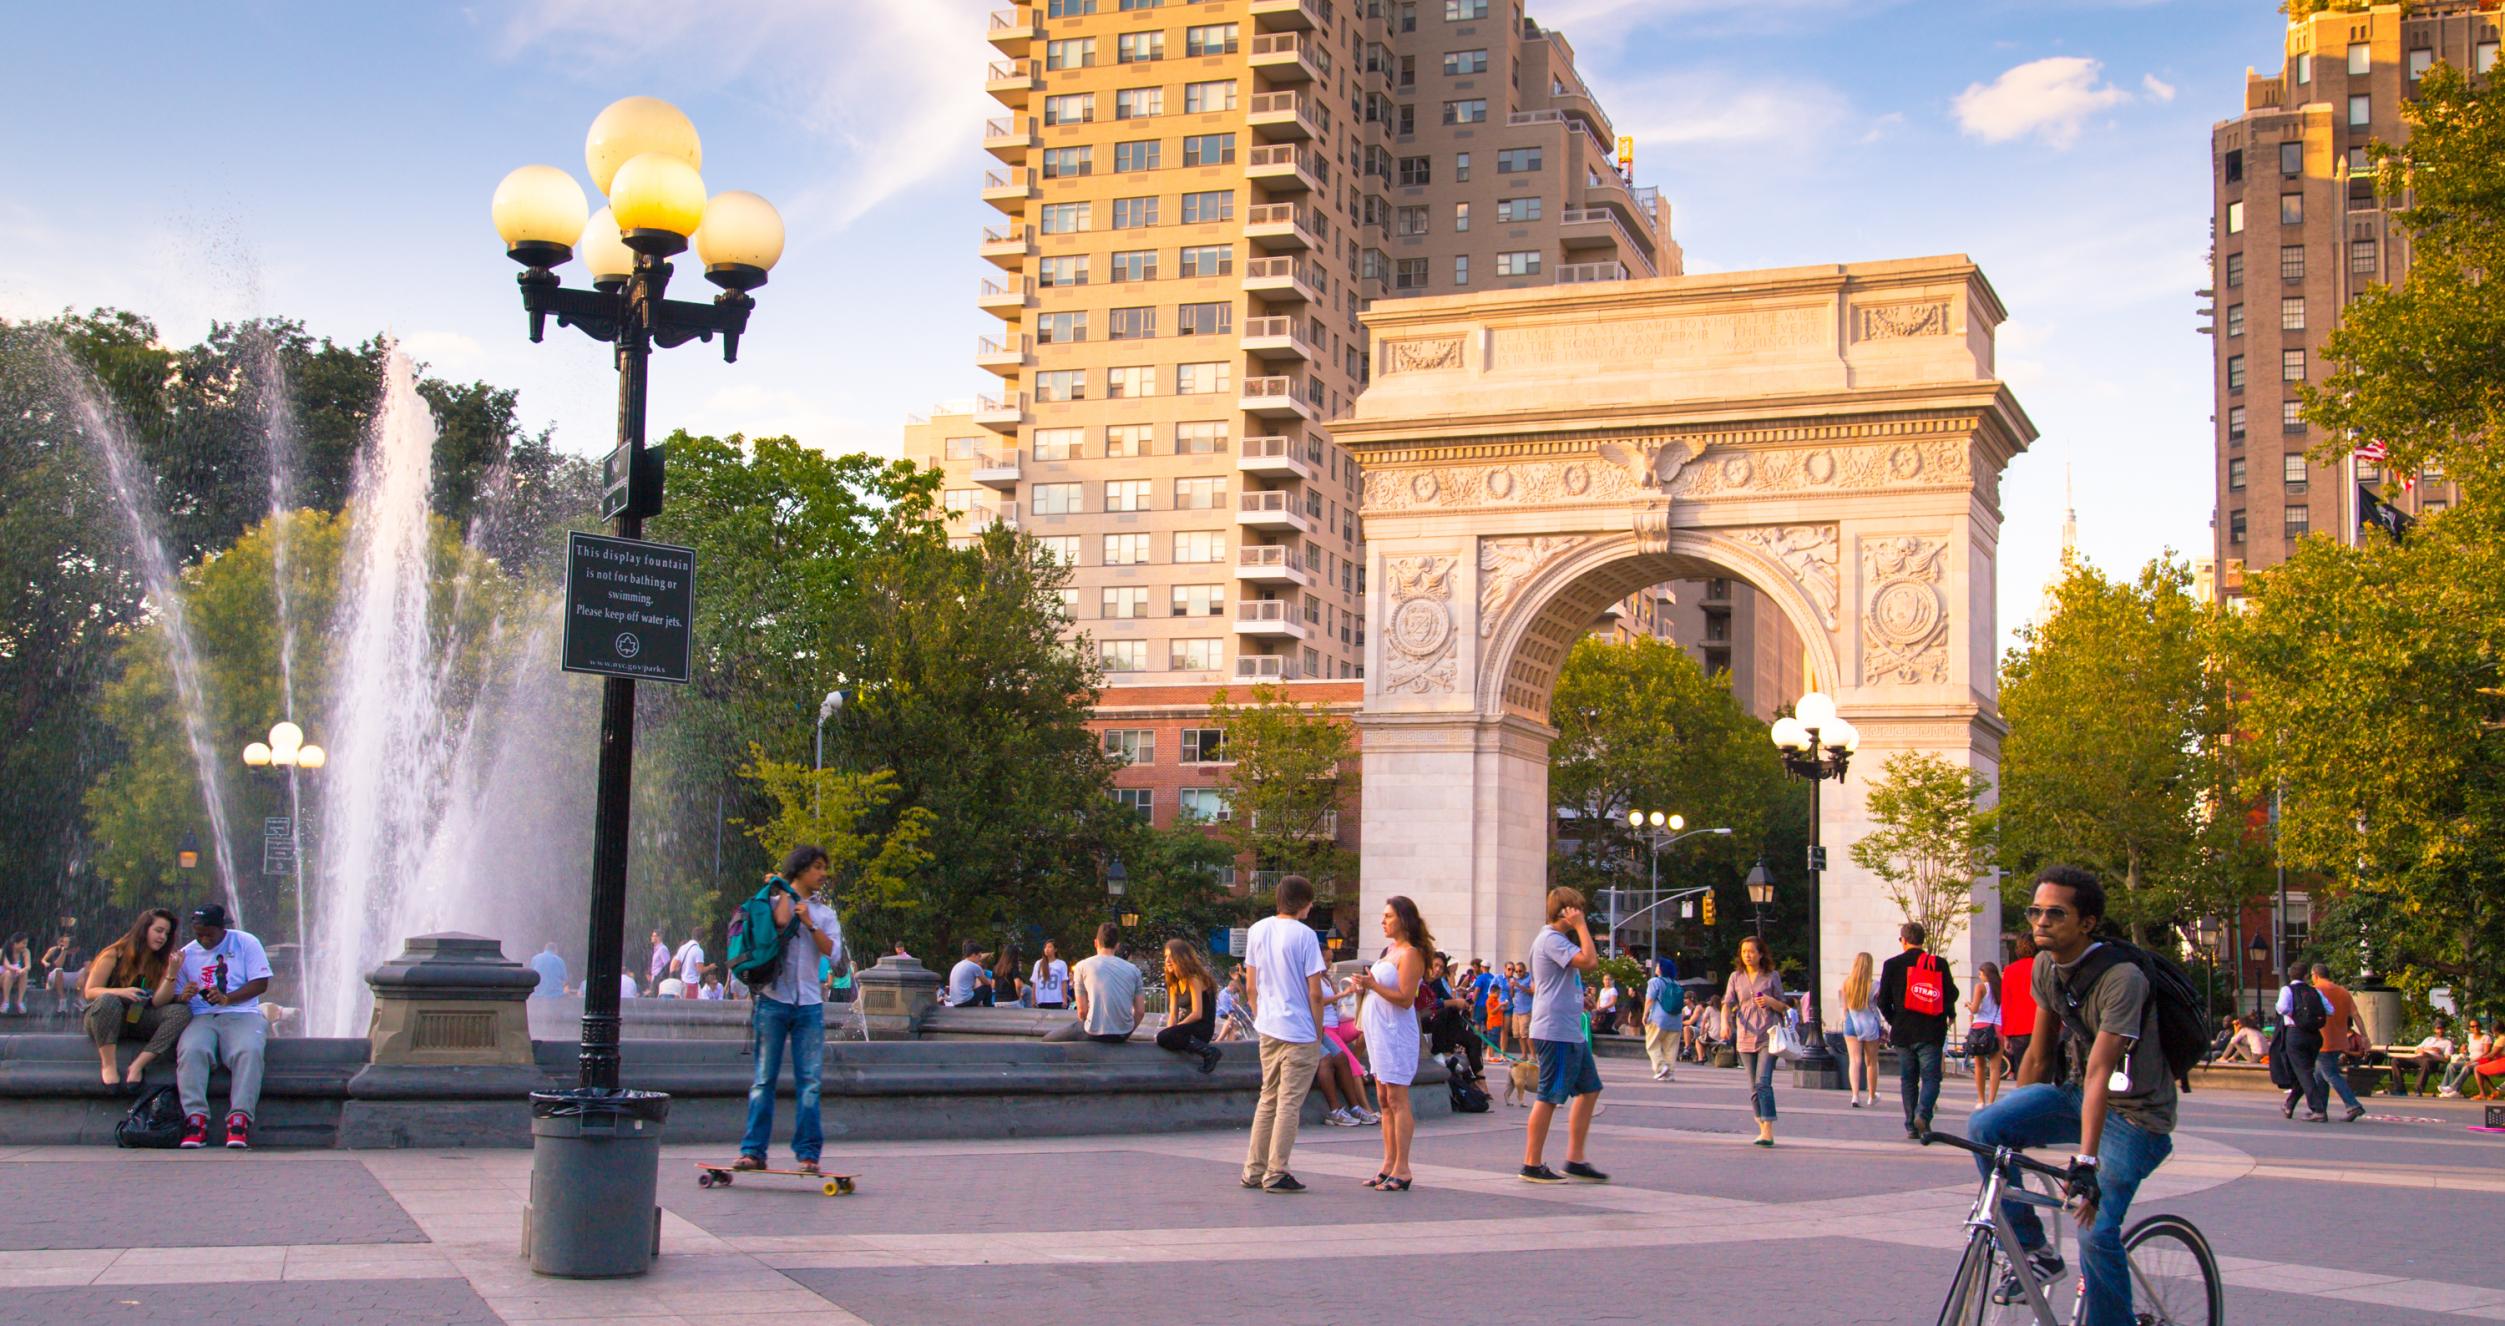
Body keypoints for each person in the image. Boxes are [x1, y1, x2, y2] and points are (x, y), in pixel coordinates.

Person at [1970, 865, 2177, 1326]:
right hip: (2079, 1097)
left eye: (2055, 913)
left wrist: (2085, 1163)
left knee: (2096, 1232)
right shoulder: (2045, 966)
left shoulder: (2122, 979)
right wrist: (2017, 1117)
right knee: (1985, 1126)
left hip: (2137, 1118)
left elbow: (2102, 1068)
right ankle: (2033, 1251)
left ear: (2086, 923)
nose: (2040, 922)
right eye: (2035, 911)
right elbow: (2040, 1058)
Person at [736, 845, 843, 1176]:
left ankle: (808, 1154)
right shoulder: (773, 901)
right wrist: (783, 890)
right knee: (764, 1079)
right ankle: (753, 1151)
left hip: (809, 1004)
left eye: (824, 868)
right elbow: (780, 922)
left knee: (809, 1081)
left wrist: (810, 923)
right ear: (800, 870)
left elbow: (835, 957)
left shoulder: (825, 914)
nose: (823, 874)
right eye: (817, 867)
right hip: (773, 1000)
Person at [1240, 874, 1329, 1194]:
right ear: (1304, 904)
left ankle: (1254, 1168)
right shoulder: (1305, 936)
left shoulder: (1257, 930)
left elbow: (1250, 984)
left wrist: (1258, 1014)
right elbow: (1315, 992)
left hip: (1269, 1026)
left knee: (1268, 1097)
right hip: (1299, 1029)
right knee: (1289, 1103)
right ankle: (1277, 1171)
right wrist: (1318, 1032)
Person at [1521, 887, 1608, 1184]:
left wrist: (1576, 996)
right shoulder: (1552, 939)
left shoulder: (1551, 941)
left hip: (1568, 1029)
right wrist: (1582, 927)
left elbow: (1544, 982)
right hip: (1555, 1031)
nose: (1581, 914)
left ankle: (1575, 1158)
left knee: (1589, 1088)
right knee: (1549, 1095)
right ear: (1566, 911)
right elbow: (1590, 961)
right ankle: (1531, 1163)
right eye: (1577, 910)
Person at [167, 904, 273, 1149]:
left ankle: (239, 1119)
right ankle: (196, 1119)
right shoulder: (187, 954)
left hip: (242, 1012)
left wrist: (228, 998)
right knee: (191, 1051)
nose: (204, 940)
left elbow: (260, 984)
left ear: (222, 929)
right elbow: (175, 995)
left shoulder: (245, 943)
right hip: (203, 1016)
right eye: (199, 934)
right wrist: (185, 994)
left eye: (209, 935)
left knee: (249, 1051)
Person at [1350, 896, 1430, 1191]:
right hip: (1380, 1032)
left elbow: (1406, 998)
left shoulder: (1410, 954)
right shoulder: (1389, 951)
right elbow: (1383, 989)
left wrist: (1373, 985)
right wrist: (1364, 986)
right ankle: (1388, 1163)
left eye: (1388, 916)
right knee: (1384, 1100)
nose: (1383, 921)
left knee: (1397, 1099)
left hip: (1396, 1032)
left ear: (1403, 919)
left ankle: (1403, 1168)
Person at [80, 908, 189, 1088]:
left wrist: (171, 973)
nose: (163, 937)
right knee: (108, 1000)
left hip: (139, 1018)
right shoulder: (114, 954)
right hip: (104, 1018)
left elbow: (158, 1002)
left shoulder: (161, 961)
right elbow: (90, 991)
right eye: (158, 930)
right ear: (143, 929)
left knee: (181, 1012)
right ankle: (108, 1065)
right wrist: (120, 992)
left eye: (167, 934)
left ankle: (138, 1065)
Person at [1877, 920, 1959, 1140]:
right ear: (1923, 940)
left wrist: (1895, 1019)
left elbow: (1882, 1000)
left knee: (1908, 1078)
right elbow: (1951, 994)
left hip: (1903, 1032)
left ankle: (1911, 1125)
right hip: (1930, 1031)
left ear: (1903, 940)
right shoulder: (1938, 964)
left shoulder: (1892, 965)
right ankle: (1923, 1114)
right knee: (1931, 1077)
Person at [1724, 935, 1790, 1147]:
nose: (1747, 956)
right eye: (1744, 952)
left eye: (1751, 951)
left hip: (1767, 1035)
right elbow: (1727, 1002)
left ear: (1761, 953)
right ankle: (1761, 1124)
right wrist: (1726, 1023)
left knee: (1763, 1082)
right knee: (1753, 1085)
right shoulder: (1736, 977)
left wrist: (1771, 1001)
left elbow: (1785, 1007)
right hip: (1744, 1035)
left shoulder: (1771, 976)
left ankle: (1768, 1128)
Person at [1045, 922, 1145, 1044]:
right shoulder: (1134, 970)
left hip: (1094, 1032)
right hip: (1123, 1033)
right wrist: (1126, 1032)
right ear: (1117, 946)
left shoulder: (1082, 966)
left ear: (1095, 943)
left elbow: (1082, 1012)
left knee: (1048, 1040)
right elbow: (1140, 1012)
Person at [2310, 964, 2369, 1122]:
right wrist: (2364, 1036)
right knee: (2319, 1074)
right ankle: (2320, 1110)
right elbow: (2355, 1015)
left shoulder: (2315, 990)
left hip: (2322, 1038)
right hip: (2339, 1039)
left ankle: (2353, 1105)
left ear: (2315, 975)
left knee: (2330, 1074)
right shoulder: (2343, 991)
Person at [1153, 939, 1224, 1071]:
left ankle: (1209, 1052)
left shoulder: (1194, 979)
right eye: (1166, 956)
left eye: (1172, 956)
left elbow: (1197, 1014)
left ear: (1182, 958)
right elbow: (1173, 1015)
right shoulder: (1174, 983)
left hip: (1202, 1028)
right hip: (1188, 1028)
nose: (1167, 960)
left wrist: (1175, 1030)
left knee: (1164, 1036)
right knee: (1164, 1036)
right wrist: (1171, 1030)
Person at [2273, 962, 2331, 1120]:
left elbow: (2283, 1008)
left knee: (2303, 1072)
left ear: (2290, 975)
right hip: (2314, 1035)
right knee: (2304, 1072)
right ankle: (2289, 1104)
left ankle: (2318, 1109)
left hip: (2295, 1034)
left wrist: (2294, 1014)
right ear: (2306, 976)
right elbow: (2330, 1010)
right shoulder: (2314, 991)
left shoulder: (2287, 990)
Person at [1839, 951, 1887, 1108]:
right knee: (1871, 1061)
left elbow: (1844, 1008)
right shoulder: (1875, 985)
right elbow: (1879, 1005)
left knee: (1854, 1060)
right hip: (1869, 1024)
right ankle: (1872, 1095)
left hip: (1851, 1022)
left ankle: (1854, 1095)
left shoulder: (1847, 983)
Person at [1969, 961, 2006, 1107]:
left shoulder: (1980, 987)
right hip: (1998, 1027)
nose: (1979, 977)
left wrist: (1968, 1006)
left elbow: (1975, 1009)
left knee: (1979, 1065)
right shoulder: (2003, 987)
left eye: (1980, 974)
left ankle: (1980, 1100)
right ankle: (1991, 1101)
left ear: (1985, 974)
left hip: (1981, 1027)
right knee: (1995, 1067)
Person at [2001, 934, 2040, 1073]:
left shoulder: (2010, 970)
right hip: (2043, 1025)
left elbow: (2006, 1003)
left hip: (2018, 1028)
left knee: (2023, 1071)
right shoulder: (2044, 967)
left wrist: (2005, 1034)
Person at [1642, 961, 1682, 1081]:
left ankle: (1661, 1067)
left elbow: (1650, 1000)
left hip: (1659, 1018)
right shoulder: (1676, 983)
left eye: (1658, 965)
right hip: (1676, 1020)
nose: (1656, 967)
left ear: (1662, 969)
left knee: (1652, 1044)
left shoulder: (1655, 982)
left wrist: (1645, 1015)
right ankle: (1669, 1072)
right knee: (1671, 1047)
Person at [2396, 1021, 2455, 1097]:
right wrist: (2428, 1049)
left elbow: (2446, 1059)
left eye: (2442, 1028)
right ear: (2435, 1030)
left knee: (2426, 1061)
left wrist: (2429, 1055)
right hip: (2418, 1058)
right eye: (2438, 1028)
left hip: (2432, 1062)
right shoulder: (2428, 1039)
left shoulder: (2447, 1043)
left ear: (2444, 1030)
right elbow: (2417, 1049)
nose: (2440, 1030)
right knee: (2396, 1061)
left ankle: (2418, 1089)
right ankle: (2400, 1089)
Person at [2439, 1018, 2490, 1097]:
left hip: (2481, 1061)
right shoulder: (2470, 1037)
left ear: (2480, 1026)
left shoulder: (2486, 1037)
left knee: (2466, 1067)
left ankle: (2453, 1088)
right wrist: (2464, 1051)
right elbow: (2471, 1051)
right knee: (2451, 1065)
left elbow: (2486, 1053)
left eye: (2477, 1026)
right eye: (2472, 1026)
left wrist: (2473, 1061)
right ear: (2470, 1028)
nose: (2475, 1028)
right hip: (2470, 1060)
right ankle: (2448, 1089)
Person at [40, 934, 83, 1015]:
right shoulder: (56, 950)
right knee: (59, 970)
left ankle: (79, 999)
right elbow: (58, 965)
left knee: (84, 970)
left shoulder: (80, 952)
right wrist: (64, 952)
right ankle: (62, 999)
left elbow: (88, 965)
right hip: (55, 976)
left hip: (72, 978)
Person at [946, 940, 993, 1008]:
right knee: (987, 988)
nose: (980, 959)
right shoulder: (975, 966)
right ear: (973, 955)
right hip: (966, 1001)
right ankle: (988, 1007)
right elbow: (986, 983)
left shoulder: (958, 965)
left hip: (955, 1001)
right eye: (979, 956)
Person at [1031, 940, 1072, 1010]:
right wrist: (1033, 999)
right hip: (1041, 999)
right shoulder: (1038, 963)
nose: (1047, 949)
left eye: (1049, 947)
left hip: (1056, 999)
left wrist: (1064, 999)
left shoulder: (1061, 964)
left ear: (1055, 949)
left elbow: (1064, 983)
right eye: (1045, 947)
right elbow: (1035, 982)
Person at [673, 929, 707, 998]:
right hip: (692, 983)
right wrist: (710, 967)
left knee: (682, 1006)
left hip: (682, 983)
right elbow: (700, 970)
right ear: (702, 939)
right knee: (691, 1007)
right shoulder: (698, 950)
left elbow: (675, 966)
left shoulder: (682, 947)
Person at [0, 932, 28, 1013]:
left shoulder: (26, 952)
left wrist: (23, 970)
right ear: (15, 943)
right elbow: (7, 965)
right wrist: (17, 970)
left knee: (24, 973)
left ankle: (20, 1001)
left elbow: (28, 965)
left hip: (15, 978)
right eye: (23, 943)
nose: (25, 946)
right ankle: (6, 1001)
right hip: (2, 977)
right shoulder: (3, 951)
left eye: (26, 943)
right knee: (9, 973)